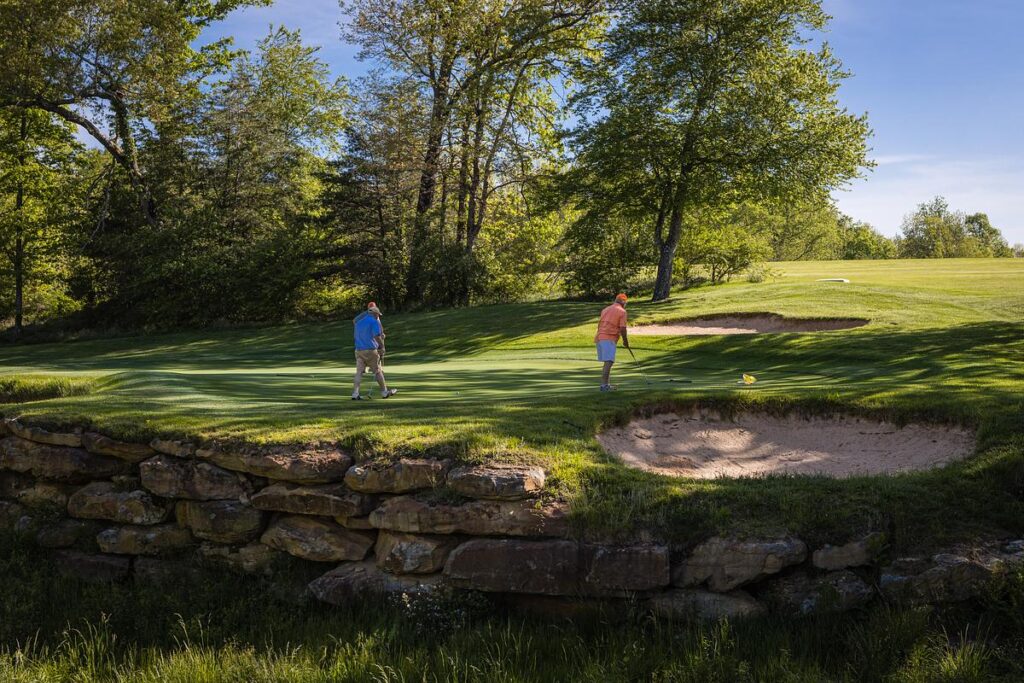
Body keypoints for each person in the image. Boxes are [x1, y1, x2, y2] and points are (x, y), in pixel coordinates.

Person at [352, 302, 397, 400]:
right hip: (371, 350)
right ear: (375, 314)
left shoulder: (359, 322)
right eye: (377, 314)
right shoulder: (373, 321)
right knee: (377, 371)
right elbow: (377, 336)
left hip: (359, 350)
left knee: (359, 372)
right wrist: (382, 347)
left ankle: (355, 394)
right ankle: (384, 392)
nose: (378, 316)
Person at [595, 293, 630, 391]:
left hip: (599, 337)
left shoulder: (605, 309)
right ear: (623, 302)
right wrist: (625, 341)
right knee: (609, 361)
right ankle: (604, 386)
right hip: (609, 338)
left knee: (607, 362)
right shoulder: (622, 312)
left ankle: (606, 384)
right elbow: (623, 328)